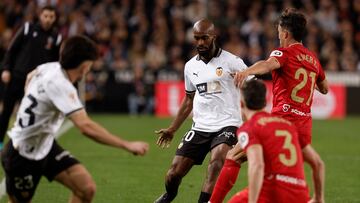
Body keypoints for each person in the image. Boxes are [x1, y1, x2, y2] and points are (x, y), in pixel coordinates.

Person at [1, 35, 149, 203]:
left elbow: (30, 76)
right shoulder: (61, 85)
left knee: (86, 189)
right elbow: (85, 126)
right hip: (21, 155)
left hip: (46, 145)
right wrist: (127, 145)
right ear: (85, 65)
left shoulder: (48, 67)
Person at [234, 8, 328, 203]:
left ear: (285, 33)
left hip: (282, 121)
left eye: (278, 32)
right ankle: (318, 199)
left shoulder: (283, 53)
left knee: (233, 156)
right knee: (299, 168)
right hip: (304, 127)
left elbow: (268, 65)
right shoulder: (313, 60)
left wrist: (247, 71)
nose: (278, 36)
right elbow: (324, 89)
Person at [154, 19, 248, 203]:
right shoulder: (190, 66)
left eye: (204, 38)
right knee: (173, 174)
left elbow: (254, 85)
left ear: (214, 37)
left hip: (228, 124)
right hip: (200, 126)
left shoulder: (232, 61)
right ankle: (169, 195)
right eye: (196, 38)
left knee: (217, 162)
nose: (200, 43)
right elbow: (188, 99)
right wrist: (172, 129)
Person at [212, 79, 310, 203]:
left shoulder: (250, 128)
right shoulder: (288, 127)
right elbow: (318, 164)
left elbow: (257, 165)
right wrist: (319, 196)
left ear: (241, 104)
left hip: (272, 189)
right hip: (300, 193)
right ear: (265, 102)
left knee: (233, 156)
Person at [0, 5, 62, 148]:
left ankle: (19, 144)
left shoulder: (56, 37)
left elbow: (54, 63)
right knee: (6, 112)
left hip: (35, 83)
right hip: (16, 78)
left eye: (51, 17)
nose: (47, 19)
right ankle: (0, 142)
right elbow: (12, 49)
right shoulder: (28, 28)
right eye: (45, 16)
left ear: (55, 18)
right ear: (40, 16)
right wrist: (6, 69)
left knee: (27, 116)